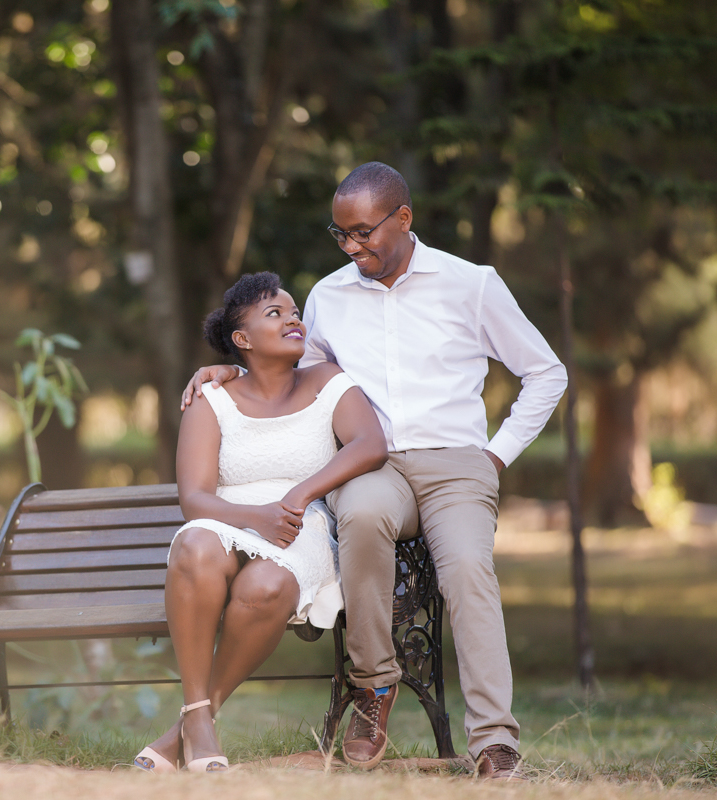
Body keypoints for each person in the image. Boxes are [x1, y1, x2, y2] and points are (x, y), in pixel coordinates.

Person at [181, 163, 567, 780]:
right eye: (341, 235)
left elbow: (546, 372)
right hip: (372, 463)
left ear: (403, 219)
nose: (353, 246)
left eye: (363, 232)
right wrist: (228, 368)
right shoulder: (330, 296)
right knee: (360, 514)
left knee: (468, 568)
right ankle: (373, 689)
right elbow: (290, 371)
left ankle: (494, 741)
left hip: (456, 466)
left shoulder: (472, 284)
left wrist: (497, 455)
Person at [133, 272, 387, 773]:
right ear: (242, 340)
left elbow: (369, 444)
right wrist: (256, 519)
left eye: (294, 312)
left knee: (268, 583)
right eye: (276, 313)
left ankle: (188, 726)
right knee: (195, 547)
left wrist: (298, 496)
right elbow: (195, 498)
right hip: (227, 518)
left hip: (300, 525)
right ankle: (199, 720)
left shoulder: (327, 380)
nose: (293, 319)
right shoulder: (212, 399)